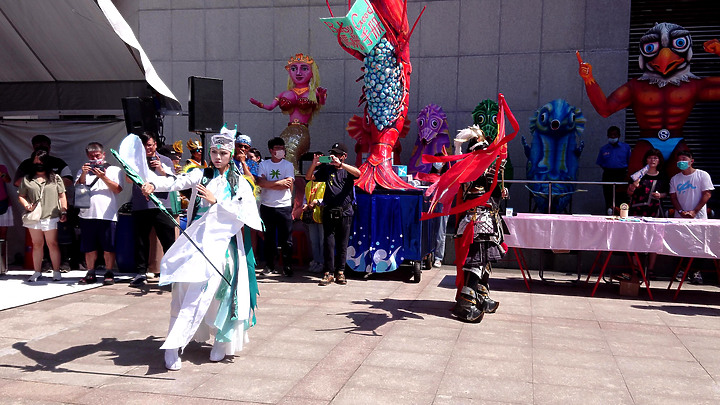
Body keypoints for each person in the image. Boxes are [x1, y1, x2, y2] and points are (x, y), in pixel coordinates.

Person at [140, 132, 262, 370]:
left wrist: (218, 202)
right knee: (183, 289)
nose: (217, 157)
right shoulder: (200, 174)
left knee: (220, 292)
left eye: (223, 153)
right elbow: (176, 181)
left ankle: (221, 340)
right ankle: (174, 342)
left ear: (231, 155)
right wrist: (154, 184)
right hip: (195, 240)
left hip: (223, 243)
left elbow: (249, 214)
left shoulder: (240, 183)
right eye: (214, 153)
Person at [250, 53, 327, 171]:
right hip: (288, 131)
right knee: (279, 151)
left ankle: (291, 177)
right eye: (294, 69)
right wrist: (259, 104)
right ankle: (276, 177)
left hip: (301, 132)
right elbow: (270, 107)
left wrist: (321, 97)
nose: (298, 73)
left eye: (304, 68)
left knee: (290, 152)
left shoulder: (313, 92)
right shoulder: (285, 94)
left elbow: (321, 103)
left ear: (312, 72)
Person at [14, 134, 75, 271]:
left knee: (60, 238)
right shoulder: (26, 163)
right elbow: (17, 182)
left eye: (44, 145)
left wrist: (50, 185)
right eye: (37, 145)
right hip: (36, 210)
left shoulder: (58, 163)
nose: (41, 147)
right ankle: (44, 263)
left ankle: (63, 263)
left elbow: (69, 180)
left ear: (49, 147)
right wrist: (33, 179)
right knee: (38, 241)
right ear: (33, 146)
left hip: (55, 208)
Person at [306, 143, 360, 286]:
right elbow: (309, 177)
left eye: (337, 154)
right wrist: (314, 164)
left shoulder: (347, 170)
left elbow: (358, 173)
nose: (334, 157)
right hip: (329, 210)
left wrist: (341, 164)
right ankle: (328, 272)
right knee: (328, 243)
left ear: (344, 156)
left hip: (345, 211)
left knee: (343, 243)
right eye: (332, 154)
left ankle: (340, 272)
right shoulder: (326, 169)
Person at [129, 132, 177, 287]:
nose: (147, 148)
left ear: (155, 144)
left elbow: (174, 181)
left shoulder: (166, 160)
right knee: (141, 240)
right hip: (141, 205)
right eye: (144, 146)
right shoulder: (135, 160)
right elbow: (128, 179)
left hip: (162, 204)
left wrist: (162, 170)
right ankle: (140, 273)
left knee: (168, 239)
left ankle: (170, 273)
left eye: (150, 145)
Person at [75, 143, 123, 285]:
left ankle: (109, 271)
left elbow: (118, 189)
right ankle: (90, 272)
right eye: (91, 156)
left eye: (97, 156)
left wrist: (103, 177)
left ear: (103, 154)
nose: (95, 159)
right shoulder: (83, 169)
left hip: (107, 214)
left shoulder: (114, 170)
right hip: (87, 214)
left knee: (108, 246)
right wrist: (84, 173)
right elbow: (78, 187)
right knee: (88, 247)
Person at [18, 149, 68, 282]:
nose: (38, 164)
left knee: (52, 243)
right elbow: (21, 196)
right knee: (37, 244)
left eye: (41, 162)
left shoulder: (56, 178)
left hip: (51, 214)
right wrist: (27, 205)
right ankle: (37, 271)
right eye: (35, 162)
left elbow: (62, 195)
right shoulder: (27, 179)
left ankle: (56, 271)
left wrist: (64, 211)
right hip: (34, 216)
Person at [670, 150, 714, 284]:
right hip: (681, 217)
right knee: (680, 243)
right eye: (679, 160)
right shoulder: (675, 179)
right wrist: (681, 211)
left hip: (698, 217)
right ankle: (681, 269)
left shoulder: (702, 175)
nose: (681, 162)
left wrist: (694, 211)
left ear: (691, 161)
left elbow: (707, 194)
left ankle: (696, 271)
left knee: (700, 245)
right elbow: (673, 197)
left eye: (684, 159)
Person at [626, 148, 669, 278]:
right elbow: (629, 192)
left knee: (654, 239)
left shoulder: (663, 176)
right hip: (637, 210)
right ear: (646, 160)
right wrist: (634, 183)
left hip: (654, 211)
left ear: (659, 160)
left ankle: (650, 269)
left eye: (655, 158)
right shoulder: (638, 175)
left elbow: (667, 193)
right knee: (635, 238)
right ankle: (636, 268)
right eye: (650, 158)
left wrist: (660, 195)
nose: (652, 160)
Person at [257, 137, 295, 276]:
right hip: (267, 206)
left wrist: (269, 183)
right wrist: (277, 184)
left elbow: (288, 183)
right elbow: (260, 182)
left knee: (286, 239)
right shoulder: (264, 164)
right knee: (269, 238)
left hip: (284, 206)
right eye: (277, 148)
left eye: (282, 148)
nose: (281, 150)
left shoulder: (288, 165)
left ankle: (287, 265)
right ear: (271, 150)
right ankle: (269, 265)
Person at [596, 126, 631, 214]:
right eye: (610, 135)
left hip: (622, 174)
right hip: (608, 174)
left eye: (615, 135)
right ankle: (609, 214)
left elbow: (630, 161)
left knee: (622, 198)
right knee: (608, 198)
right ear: (607, 136)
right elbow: (600, 162)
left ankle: (622, 214)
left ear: (619, 135)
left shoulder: (626, 147)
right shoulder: (603, 149)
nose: (613, 137)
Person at [302, 153, 326, 273]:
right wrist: (305, 204)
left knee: (323, 240)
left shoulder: (326, 180)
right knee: (314, 240)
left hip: (322, 214)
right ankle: (316, 261)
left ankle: (322, 262)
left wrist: (317, 202)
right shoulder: (309, 182)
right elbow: (305, 197)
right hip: (311, 215)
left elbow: (328, 196)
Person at [0, 163, 13, 275]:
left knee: (3, 236)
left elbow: (8, 180)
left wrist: (2, 174)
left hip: (3, 204)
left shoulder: (2, 167)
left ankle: (2, 264)